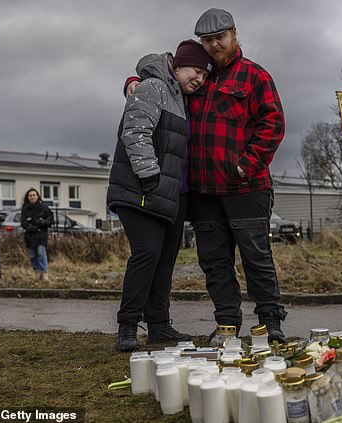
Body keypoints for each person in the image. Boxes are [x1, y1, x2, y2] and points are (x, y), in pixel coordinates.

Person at [126, 8, 287, 343]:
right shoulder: (198, 78)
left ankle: (271, 320)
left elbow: (273, 124)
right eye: (208, 40)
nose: (214, 45)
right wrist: (135, 82)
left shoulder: (255, 76)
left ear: (234, 35)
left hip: (246, 187)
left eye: (220, 38)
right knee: (214, 262)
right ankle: (227, 322)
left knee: (256, 257)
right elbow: (162, 81)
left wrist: (247, 164)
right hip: (204, 192)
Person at [108, 40, 212, 352]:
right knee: (147, 254)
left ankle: (158, 325)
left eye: (205, 76)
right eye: (196, 71)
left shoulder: (182, 97)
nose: (199, 79)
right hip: (141, 189)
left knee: (165, 259)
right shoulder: (154, 87)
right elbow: (135, 131)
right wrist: (149, 174)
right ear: (179, 65)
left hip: (172, 196)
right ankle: (127, 325)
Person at [20, 188, 53, 281]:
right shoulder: (25, 208)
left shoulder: (44, 207)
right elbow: (23, 222)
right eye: (30, 195)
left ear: (37, 196)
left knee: (41, 254)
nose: (32, 197)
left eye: (34, 195)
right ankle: (37, 272)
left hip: (41, 235)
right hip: (30, 236)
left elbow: (51, 220)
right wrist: (31, 227)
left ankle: (44, 273)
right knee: (32, 255)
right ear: (28, 197)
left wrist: (44, 222)